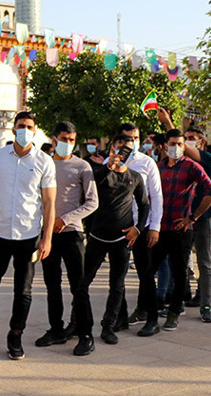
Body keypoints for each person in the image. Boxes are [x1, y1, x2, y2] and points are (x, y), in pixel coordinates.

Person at [0, 111, 56, 361]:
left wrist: (46, 238)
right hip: (0, 234)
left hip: (29, 236)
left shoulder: (44, 161)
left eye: (29, 126)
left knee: (23, 291)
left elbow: (49, 203)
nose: (24, 130)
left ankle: (15, 336)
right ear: (14, 129)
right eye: (21, 126)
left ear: (35, 131)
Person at [139, 129, 211, 336]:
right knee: (148, 270)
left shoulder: (191, 166)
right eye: (172, 144)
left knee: (180, 272)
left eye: (180, 144)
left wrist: (193, 217)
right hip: (158, 229)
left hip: (181, 230)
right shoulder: (158, 167)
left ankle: (174, 312)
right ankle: (144, 308)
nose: (176, 148)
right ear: (165, 145)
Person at [33, 122, 98, 355]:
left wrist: (65, 219)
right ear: (54, 139)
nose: (67, 143)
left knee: (79, 286)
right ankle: (56, 329)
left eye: (71, 140)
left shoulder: (82, 166)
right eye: (64, 139)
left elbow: (92, 202)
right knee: (52, 285)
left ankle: (85, 334)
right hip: (48, 235)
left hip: (72, 234)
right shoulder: (43, 164)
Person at [81, 134, 150, 346]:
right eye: (119, 146)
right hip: (97, 235)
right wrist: (108, 166)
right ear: (112, 148)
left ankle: (108, 325)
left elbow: (144, 205)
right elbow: (92, 186)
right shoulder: (100, 173)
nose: (122, 151)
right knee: (83, 281)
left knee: (117, 284)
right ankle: (78, 322)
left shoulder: (135, 177)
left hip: (122, 238)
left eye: (127, 148)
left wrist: (138, 229)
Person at [158, 111, 211, 322]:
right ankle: (178, 302)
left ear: (201, 142)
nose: (183, 145)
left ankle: (206, 305)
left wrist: (168, 123)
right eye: (183, 140)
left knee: (204, 262)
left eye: (189, 140)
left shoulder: (206, 160)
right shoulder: (174, 164)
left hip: (202, 219)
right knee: (180, 263)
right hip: (180, 220)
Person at [116, 123, 163, 331]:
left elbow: (156, 196)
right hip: (118, 226)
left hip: (141, 226)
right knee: (118, 275)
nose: (131, 142)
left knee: (146, 274)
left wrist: (155, 226)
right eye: (127, 138)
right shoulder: (111, 162)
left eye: (135, 138)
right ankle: (120, 317)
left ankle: (152, 318)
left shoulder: (147, 163)